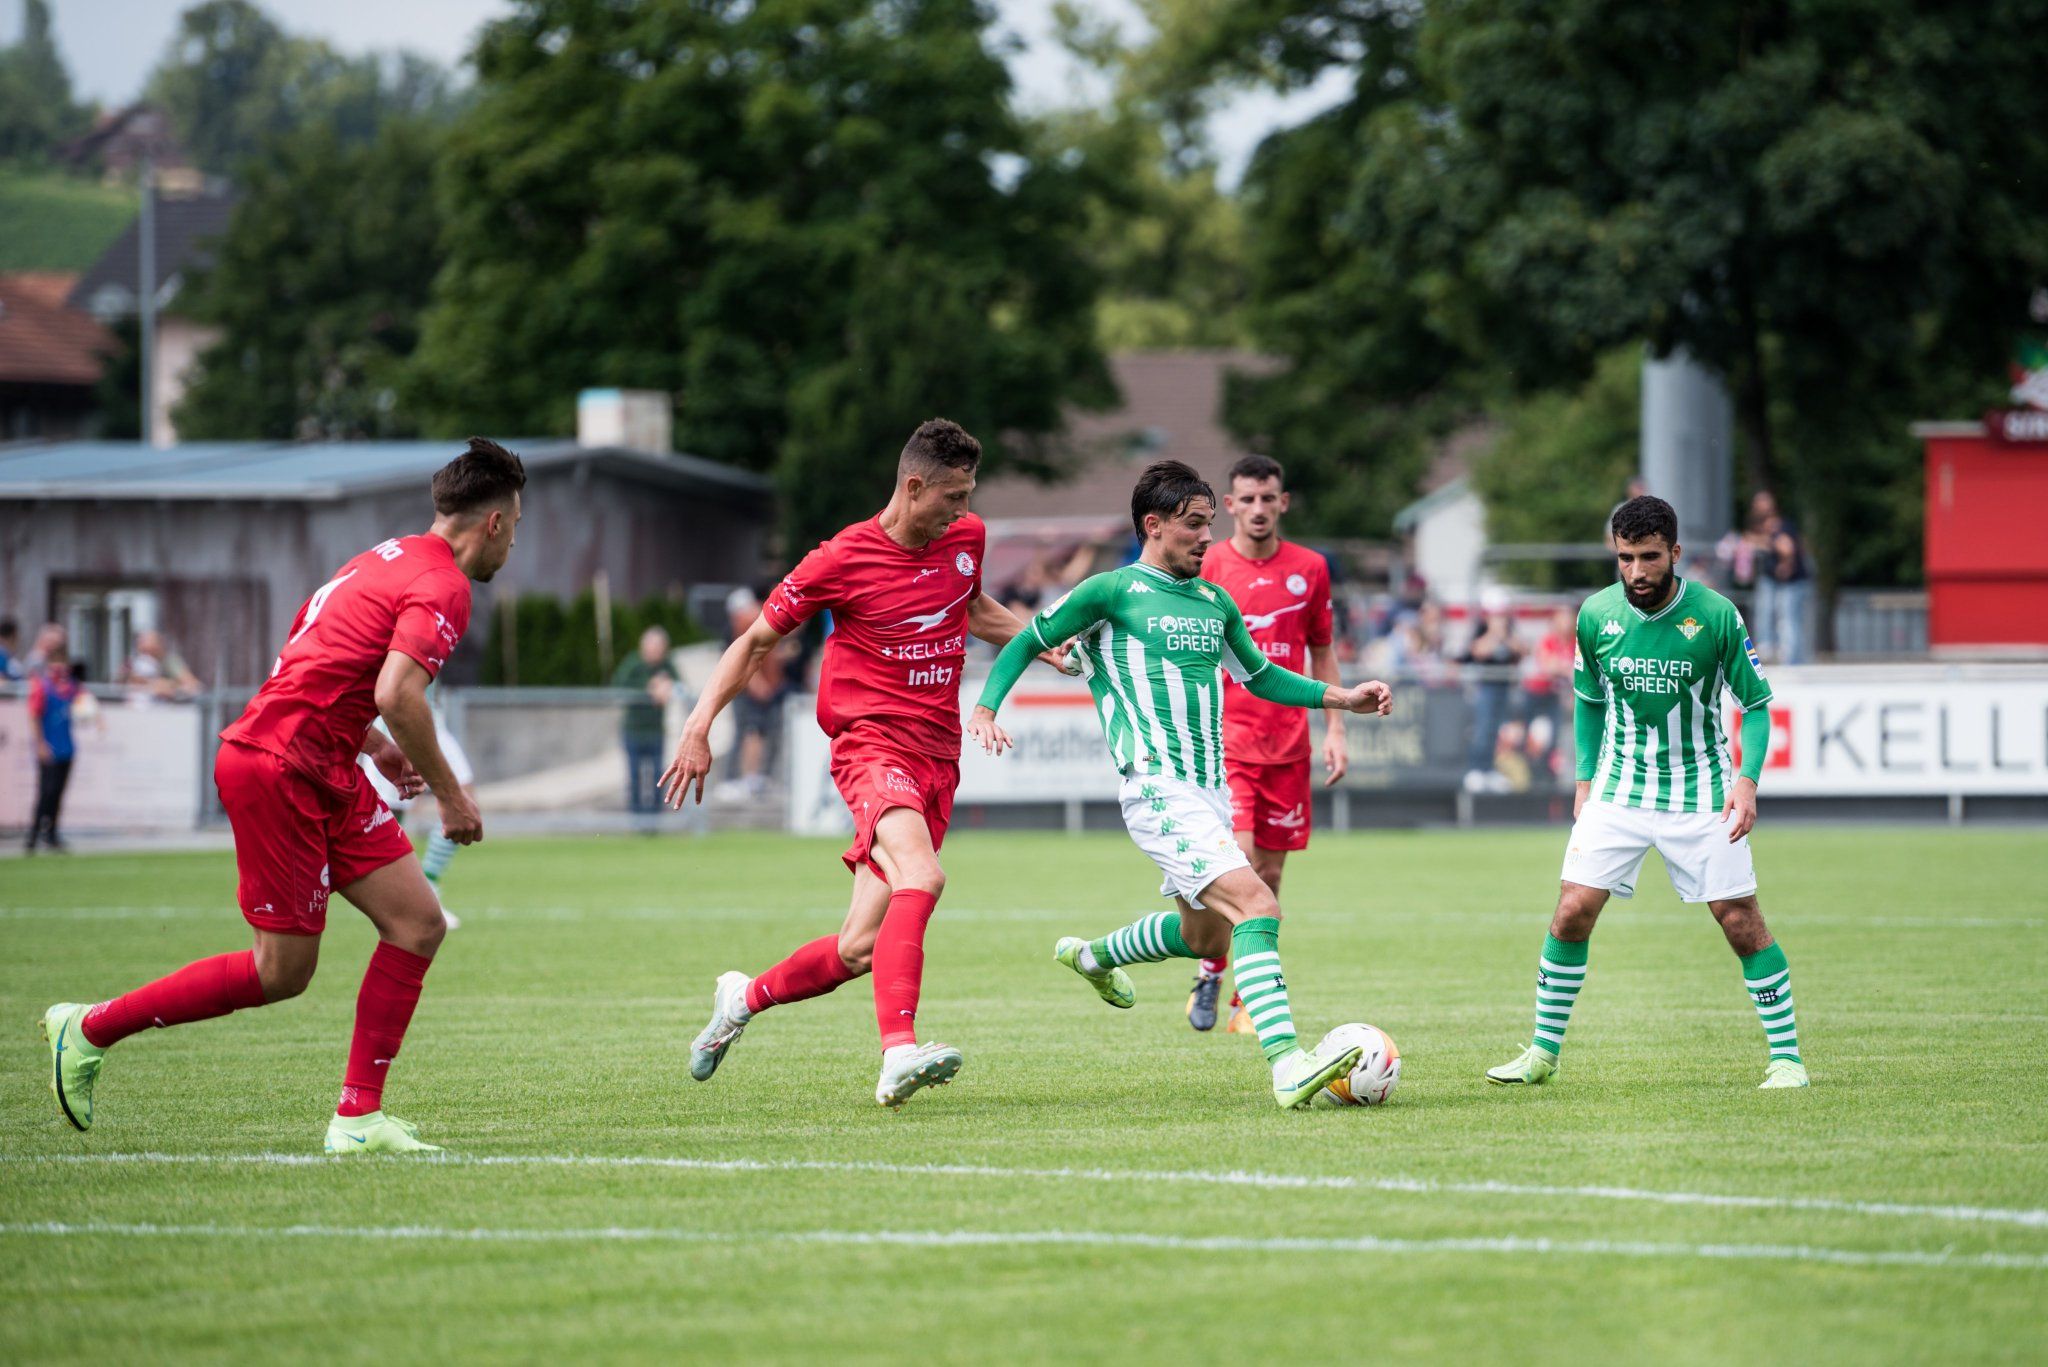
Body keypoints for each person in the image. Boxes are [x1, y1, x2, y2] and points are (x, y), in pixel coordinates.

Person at [39, 438, 525, 1153]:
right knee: (283, 971)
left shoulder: (378, 559)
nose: (511, 543)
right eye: (515, 526)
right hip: (280, 767)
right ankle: (86, 1028)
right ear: (493, 523)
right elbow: (397, 690)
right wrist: (453, 798)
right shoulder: (444, 581)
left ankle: (358, 1118)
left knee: (418, 922)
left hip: (323, 761)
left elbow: (309, 663)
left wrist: (372, 744)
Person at [970, 460, 1396, 1110]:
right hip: (1157, 789)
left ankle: (1093, 957)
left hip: (1209, 792)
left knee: (1206, 936)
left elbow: (1263, 676)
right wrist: (986, 707)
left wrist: (1345, 699)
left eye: (1208, 524)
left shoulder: (1212, 601)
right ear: (1154, 524)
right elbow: (1027, 639)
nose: (1206, 537)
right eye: (1195, 525)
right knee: (1258, 904)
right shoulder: (1109, 592)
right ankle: (1287, 1065)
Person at [666, 418, 1059, 1109]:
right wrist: (699, 727)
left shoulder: (965, 539)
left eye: (969, 495)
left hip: (939, 755)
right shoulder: (840, 559)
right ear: (913, 486)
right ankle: (898, 1053)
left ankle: (741, 998)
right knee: (923, 874)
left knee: (859, 949)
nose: (963, 512)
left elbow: (972, 607)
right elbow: (755, 641)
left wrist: (1041, 640)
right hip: (871, 745)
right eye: (953, 497)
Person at [1485, 494, 1806, 1092]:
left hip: (1703, 792)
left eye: (1650, 557)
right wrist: (1584, 780)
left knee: (1740, 921)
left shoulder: (1716, 616)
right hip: (1618, 792)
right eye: (1625, 558)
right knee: (1571, 911)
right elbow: (1587, 702)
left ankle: (1786, 1059)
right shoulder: (1595, 615)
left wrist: (1747, 781)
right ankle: (1541, 1054)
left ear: (1675, 553)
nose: (1636, 571)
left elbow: (1757, 706)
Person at [1184, 453, 1345, 1034]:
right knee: (1242, 865)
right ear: (1229, 506)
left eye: (1267, 498)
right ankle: (1217, 975)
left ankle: (1236, 995)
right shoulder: (1208, 567)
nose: (1257, 509)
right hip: (1227, 744)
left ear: (1283, 502)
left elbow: (1321, 649)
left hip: (1290, 746)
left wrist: (1337, 731)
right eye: (1246, 499)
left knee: (1271, 878)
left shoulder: (1311, 567)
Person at [358, 684, 477, 930]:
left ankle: (428, 886)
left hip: (429, 716)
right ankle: (395, 899)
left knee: (465, 802)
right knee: (385, 815)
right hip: (393, 719)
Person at [1460, 588, 1523, 793]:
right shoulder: (1481, 628)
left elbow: (1521, 649)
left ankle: (1490, 770)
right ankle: (1477, 769)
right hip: (1486, 687)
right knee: (1482, 730)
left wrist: (1504, 635)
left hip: (1504, 687)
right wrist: (1494, 634)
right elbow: (1477, 650)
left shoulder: (1510, 629)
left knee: (1498, 731)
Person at [613, 626, 678, 815]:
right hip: (634, 731)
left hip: (656, 731)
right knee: (635, 777)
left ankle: (655, 817)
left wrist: (667, 687)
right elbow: (619, 686)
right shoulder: (633, 663)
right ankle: (637, 817)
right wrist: (649, 689)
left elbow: (678, 684)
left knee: (659, 776)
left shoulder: (666, 665)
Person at [25, 646, 82, 852]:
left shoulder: (70, 688)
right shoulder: (42, 687)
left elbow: (86, 703)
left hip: (66, 747)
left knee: (58, 793)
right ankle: (33, 834)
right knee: (45, 792)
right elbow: (34, 715)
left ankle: (52, 834)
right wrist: (40, 743)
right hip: (48, 747)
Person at [122, 629, 202, 700]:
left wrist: (169, 685)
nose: (146, 655)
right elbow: (117, 686)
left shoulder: (169, 662)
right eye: (140, 644)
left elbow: (193, 685)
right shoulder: (132, 662)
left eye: (149, 651)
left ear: (159, 646)